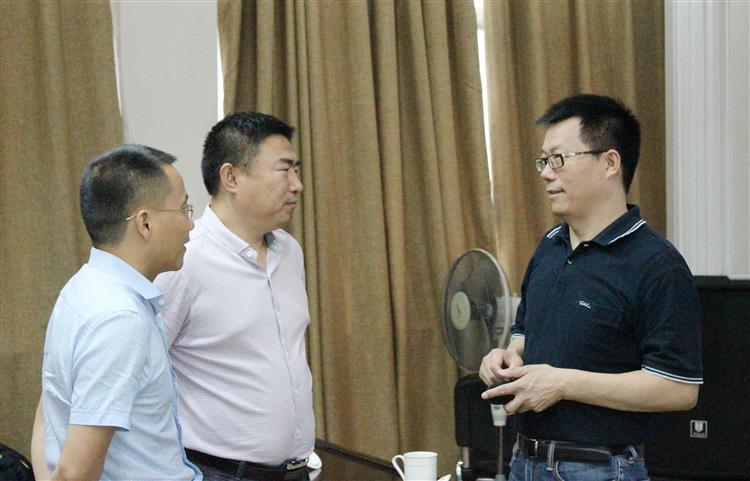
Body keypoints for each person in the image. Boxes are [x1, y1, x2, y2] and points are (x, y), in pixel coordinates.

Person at [479, 94, 702, 480]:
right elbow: (524, 332)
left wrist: (563, 384)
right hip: (524, 461)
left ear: (610, 163)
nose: (546, 173)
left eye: (559, 159)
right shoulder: (550, 246)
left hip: (600, 467)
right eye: (543, 161)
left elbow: (678, 388)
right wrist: (507, 357)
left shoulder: (656, 264)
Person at [154, 112, 314, 481]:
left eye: (296, 171)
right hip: (217, 472)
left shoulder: (290, 251)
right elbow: (141, 372)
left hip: (297, 470)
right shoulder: (184, 259)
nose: (297, 185)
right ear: (231, 177)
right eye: (284, 170)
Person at [30, 144, 200, 481]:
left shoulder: (82, 288)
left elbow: (49, 411)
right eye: (184, 209)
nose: (191, 225)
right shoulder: (120, 318)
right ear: (145, 223)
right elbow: (75, 473)